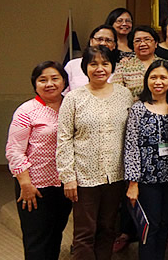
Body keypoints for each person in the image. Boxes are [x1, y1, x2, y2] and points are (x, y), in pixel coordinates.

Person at [56, 45, 134, 259]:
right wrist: (68, 177)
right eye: (93, 64)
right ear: (85, 68)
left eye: (105, 63)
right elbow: (63, 139)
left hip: (115, 175)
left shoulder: (124, 94)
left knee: (108, 229)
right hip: (83, 177)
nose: (100, 68)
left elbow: (130, 135)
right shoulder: (73, 98)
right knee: (85, 233)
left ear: (112, 67)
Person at [5, 61, 72, 260]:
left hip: (64, 183)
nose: (49, 84)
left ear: (64, 81)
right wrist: (25, 184)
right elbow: (14, 150)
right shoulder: (26, 111)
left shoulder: (72, 105)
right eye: (43, 80)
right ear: (35, 84)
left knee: (55, 236)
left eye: (55, 78)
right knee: (36, 240)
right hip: (34, 186)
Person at [124, 60, 168, 260]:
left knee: (166, 225)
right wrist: (133, 182)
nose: (158, 81)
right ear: (147, 80)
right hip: (147, 181)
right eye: (154, 77)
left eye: (163, 77)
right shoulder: (138, 108)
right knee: (150, 227)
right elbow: (131, 146)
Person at [111, 25, 168, 98]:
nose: (143, 44)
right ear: (133, 45)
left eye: (147, 39)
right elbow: (117, 94)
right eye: (138, 41)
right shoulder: (122, 66)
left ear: (156, 43)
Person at [64, 25, 118, 93]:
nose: (103, 43)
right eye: (99, 39)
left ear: (114, 45)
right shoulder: (72, 65)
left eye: (108, 40)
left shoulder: (119, 68)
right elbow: (63, 93)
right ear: (91, 41)